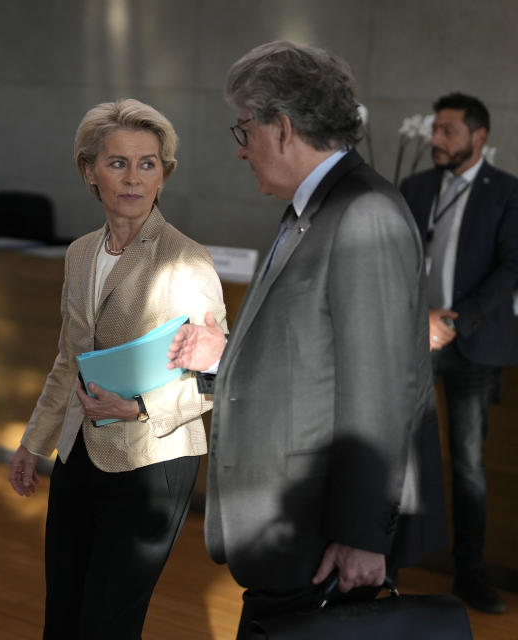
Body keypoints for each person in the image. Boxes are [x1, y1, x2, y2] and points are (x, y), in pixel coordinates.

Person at [167, 41, 446, 638]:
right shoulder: (312, 209)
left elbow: (378, 391)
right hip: (293, 527)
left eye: (244, 129)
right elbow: (312, 360)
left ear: (283, 127)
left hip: (324, 536)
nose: (241, 150)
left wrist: (362, 537)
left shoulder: (363, 212)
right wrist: (227, 358)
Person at [8, 99, 227, 638]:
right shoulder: (80, 253)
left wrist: (139, 406)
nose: (133, 178)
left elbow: (218, 377)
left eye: (148, 163)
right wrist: (34, 441)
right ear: (90, 172)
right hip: (80, 451)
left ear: (163, 175)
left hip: (153, 460)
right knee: (63, 613)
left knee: (107, 624)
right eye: (118, 163)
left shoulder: (187, 261)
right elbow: (69, 356)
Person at [399, 92, 518, 614]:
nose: (436, 139)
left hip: (474, 344)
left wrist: (455, 321)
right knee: (399, 454)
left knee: (468, 464)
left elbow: (512, 268)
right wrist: (417, 320)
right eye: (435, 130)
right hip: (414, 340)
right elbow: (396, 260)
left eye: (448, 131)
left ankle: (469, 574)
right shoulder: (415, 187)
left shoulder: (507, 193)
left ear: (479, 137)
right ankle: (385, 562)